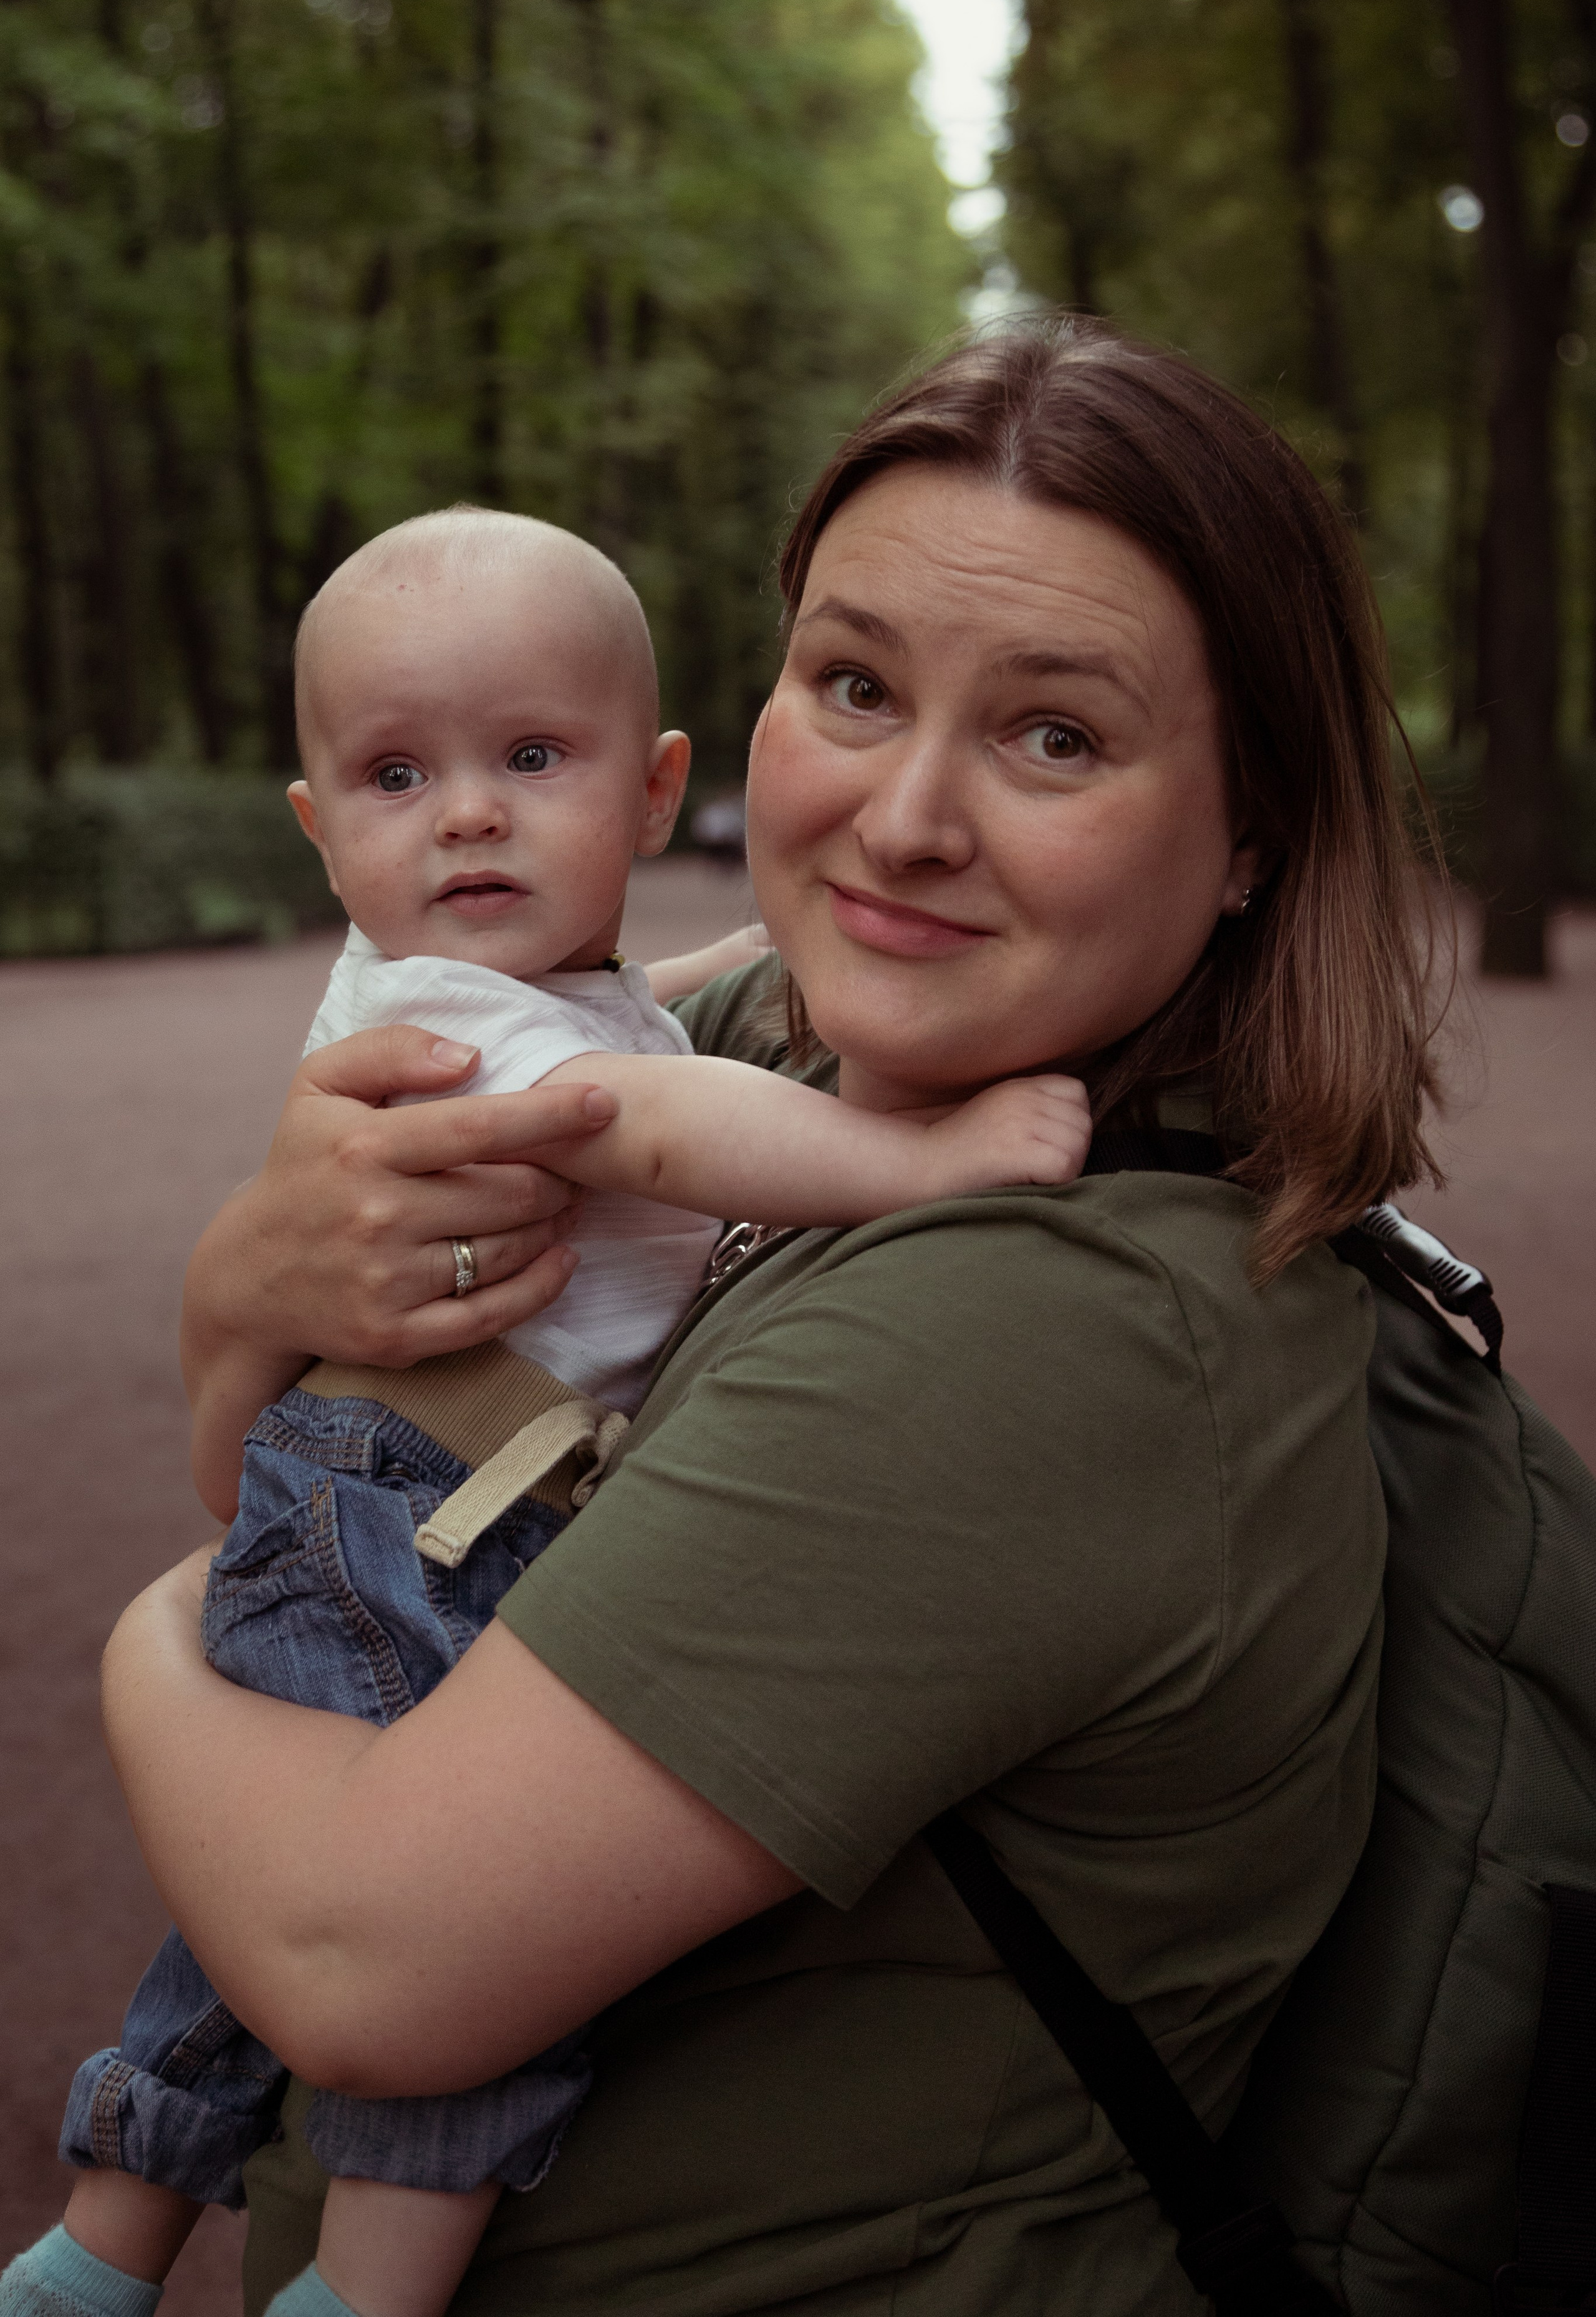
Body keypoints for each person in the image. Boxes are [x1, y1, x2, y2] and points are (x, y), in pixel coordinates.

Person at [73, 318, 1438, 2316]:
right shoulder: (770, 1043)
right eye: (859, 685)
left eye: (1056, 732)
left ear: (1251, 831)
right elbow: (269, 1433)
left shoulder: (1041, 1331)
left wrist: (152, 1632)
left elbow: (363, 1957)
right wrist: (238, 1289)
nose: (903, 820)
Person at [2, 507, 1090, 2317]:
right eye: (398, 773)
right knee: (464, 1946)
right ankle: (368, 2294)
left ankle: (96, 2252)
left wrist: (755, 944)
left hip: (357, 1483)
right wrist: (930, 1156)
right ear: (317, 828)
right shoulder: (481, 1029)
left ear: (651, 789)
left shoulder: (514, 991)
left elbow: (632, 1023)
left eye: (529, 756)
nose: (470, 814)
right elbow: (641, 1122)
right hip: (432, 1513)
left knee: (242, 1924)